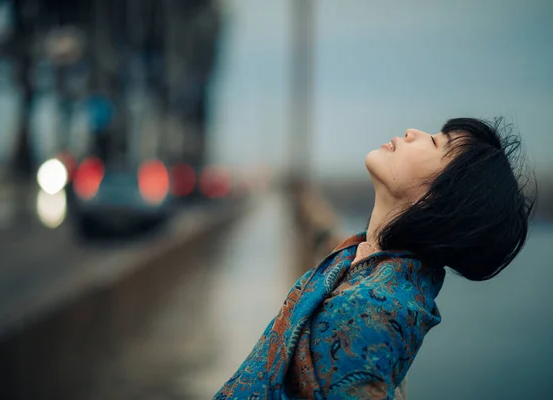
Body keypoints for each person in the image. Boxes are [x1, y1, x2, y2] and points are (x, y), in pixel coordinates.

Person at [213, 117, 536, 399]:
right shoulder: (364, 265)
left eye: (437, 143)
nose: (413, 132)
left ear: (435, 197)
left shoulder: (372, 311)